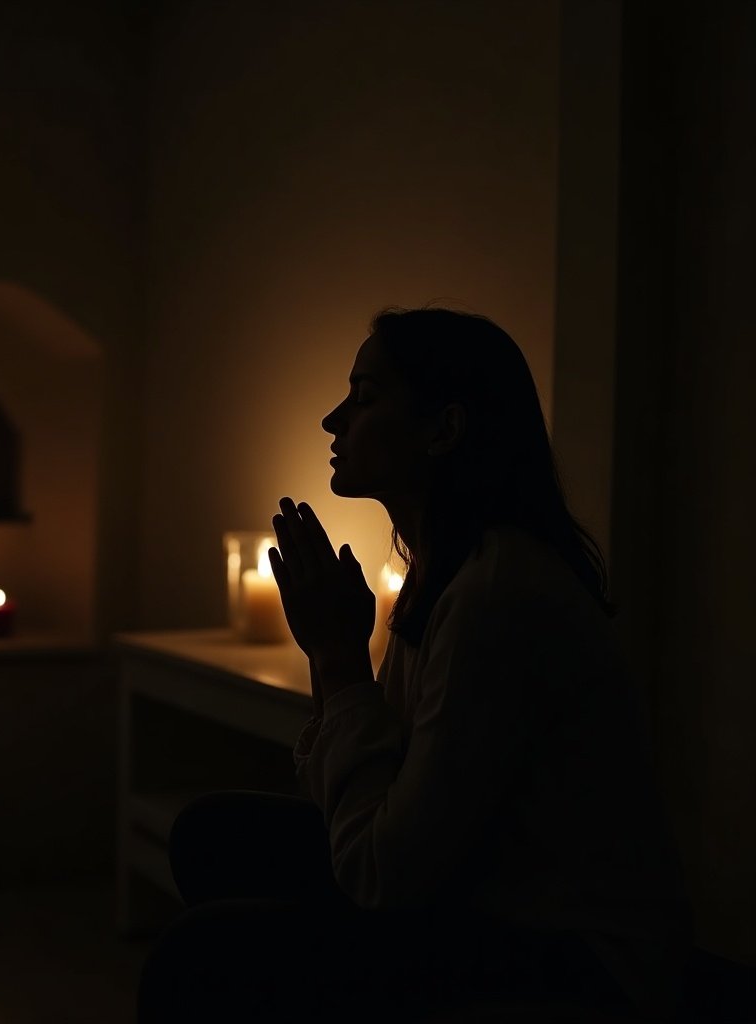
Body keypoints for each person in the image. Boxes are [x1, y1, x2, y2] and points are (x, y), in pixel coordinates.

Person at [137, 307, 692, 1023]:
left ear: (444, 430)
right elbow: (357, 805)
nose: (333, 420)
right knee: (212, 834)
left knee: (199, 959)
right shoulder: (441, 572)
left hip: (573, 954)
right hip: (470, 887)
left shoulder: (498, 595)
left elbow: (382, 868)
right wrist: (329, 656)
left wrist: (338, 661)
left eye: (365, 397)